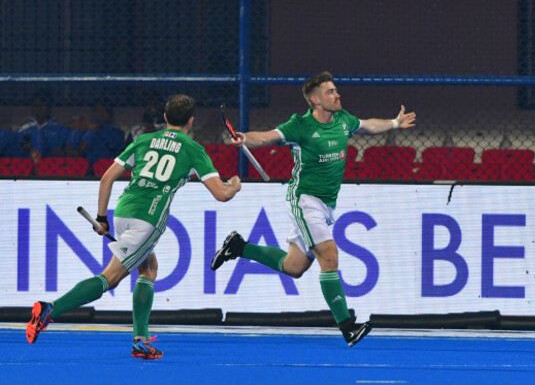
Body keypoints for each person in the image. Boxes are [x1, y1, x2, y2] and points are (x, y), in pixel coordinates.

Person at [26, 94, 242, 359]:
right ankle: (50, 308)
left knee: (148, 268)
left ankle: (140, 339)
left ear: (164, 118)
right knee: (111, 277)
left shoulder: (143, 140)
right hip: (147, 221)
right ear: (191, 121)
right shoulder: (192, 148)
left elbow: (107, 178)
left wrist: (102, 217)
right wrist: (235, 184)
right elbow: (221, 194)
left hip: (123, 212)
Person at [210, 71, 416, 347]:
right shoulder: (301, 126)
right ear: (316, 100)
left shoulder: (344, 120)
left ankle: (238, 246)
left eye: (336, 90)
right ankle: (347, 327)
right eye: (330, 92)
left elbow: (368, 126)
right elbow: (268, 136)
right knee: (329, 256)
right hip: (305, 200)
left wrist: (393, 122)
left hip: (327, 204)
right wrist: (245, 137)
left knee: (294, 267)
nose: (337, 94)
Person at [65, 103, 125, 173]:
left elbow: (116, 145)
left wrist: (100, 128)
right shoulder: (85, 130)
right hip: (85, 168)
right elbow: (72, 148)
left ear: (110, 115)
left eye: (103, 112)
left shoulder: (117, 132)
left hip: (108, 167)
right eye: (96, 111)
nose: (99, 115)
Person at [15, 90, 69, 165]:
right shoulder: (24, 129)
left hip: (52, 166)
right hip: (26, 166)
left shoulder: (60, 129)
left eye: (42, 105)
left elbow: (63, 150)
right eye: (35, 105)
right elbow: (19, 148)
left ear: (49, 107)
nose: (39, 109)